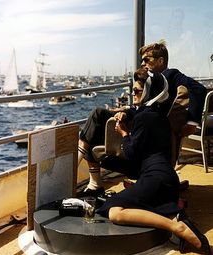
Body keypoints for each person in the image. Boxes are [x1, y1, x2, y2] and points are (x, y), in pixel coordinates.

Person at [96, 68, 211, 255]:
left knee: (114, 211)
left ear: (149, 92)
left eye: (137, 91)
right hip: (167, 179)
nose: (133, 94)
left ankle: (177, 225)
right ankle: (175, 218)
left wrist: (124, 134)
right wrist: (127, 114)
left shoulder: (144, 117)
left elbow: (132, 153)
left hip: (155, 178)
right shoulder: (159, 116)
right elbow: (140, 121)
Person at [78, 40, 207, 196]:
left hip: (148, 127)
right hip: (140, 119)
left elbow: (199, 89)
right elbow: (144, 106)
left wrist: (192, 122)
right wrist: (126, 111)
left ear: (161, 61)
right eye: (142, 60)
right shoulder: (149, 78)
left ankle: (84, 178)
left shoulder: (170, 75)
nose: (143, 63)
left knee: (98, 115)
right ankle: (91, 180)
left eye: (147, 60)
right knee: (97, 121)